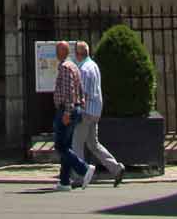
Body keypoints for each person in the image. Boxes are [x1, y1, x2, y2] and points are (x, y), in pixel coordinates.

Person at [72, 40, 124, 188]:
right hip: (95, 111)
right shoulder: (93, 66)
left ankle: (79, 176)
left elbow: (85, 94)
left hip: (86, 111)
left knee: (76, 144)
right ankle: (116, 168)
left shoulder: (83, 69)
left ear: (78, 54)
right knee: (93, 144)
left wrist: (77, 109)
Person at [51, 40, 90, 189]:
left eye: (58, 50)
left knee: (60, 146)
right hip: (74, 109)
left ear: (63, 52)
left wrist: (67, 111)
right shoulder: (74, 65)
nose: (56, 52)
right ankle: (64, 181)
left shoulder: (66, 67)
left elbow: (69, 91)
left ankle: (84, 169)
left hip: (67, 110)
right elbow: (80, 89)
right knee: (66, 145)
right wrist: (81, 105)